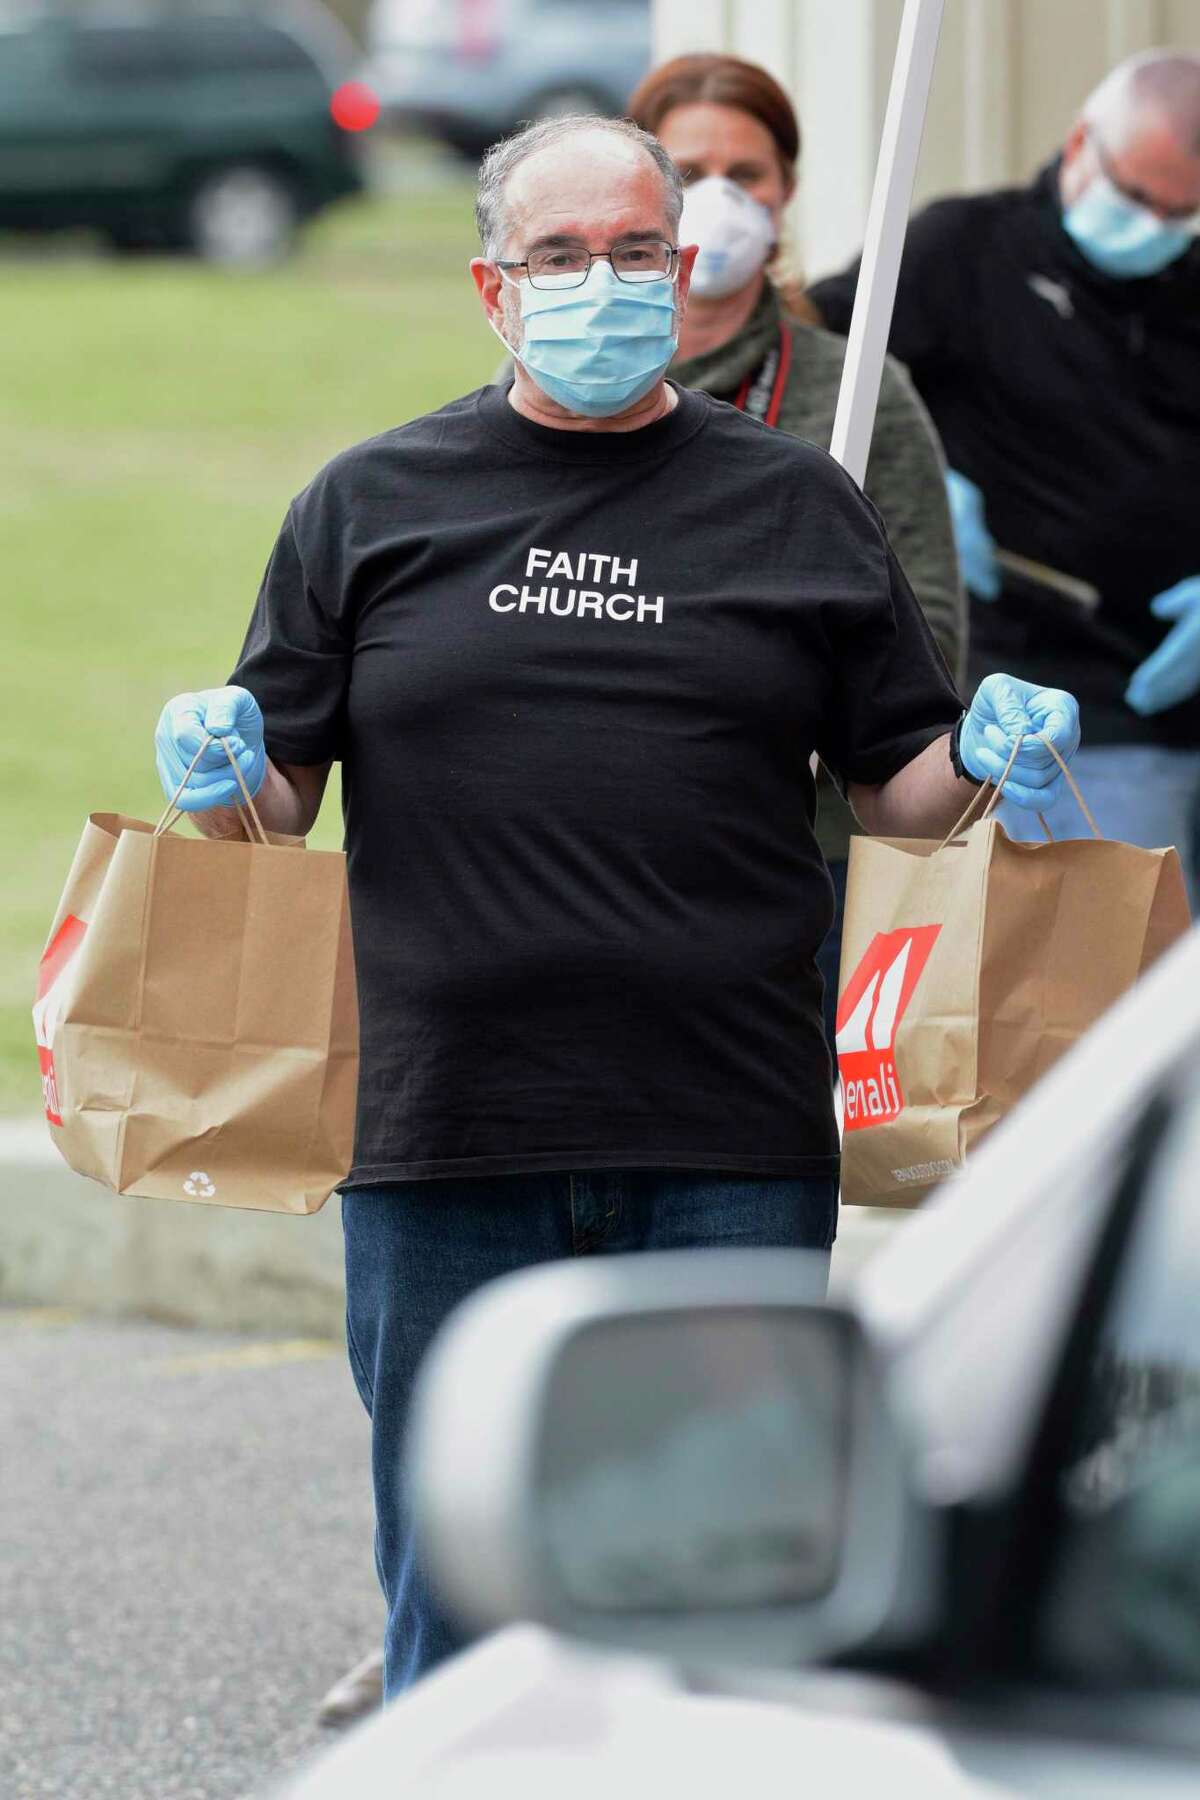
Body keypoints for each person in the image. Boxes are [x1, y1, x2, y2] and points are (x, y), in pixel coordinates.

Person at [153, 114, 1081, 1702]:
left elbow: (891, 790)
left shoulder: (795, 505)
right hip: (447, 1137)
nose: (604, 283)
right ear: (492, 287)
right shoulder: (372, 504)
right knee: (460, 1593)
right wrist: (224, 769)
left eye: (636, 252)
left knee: (720, 1591)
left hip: (725, 1132)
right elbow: (279, 798)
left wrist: (984, 759)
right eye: (561, 257)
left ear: (688, 261)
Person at [625, 53, 965, 1046]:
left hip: (802, 867)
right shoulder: (562, 389)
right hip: (599, 858)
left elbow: (926, 636)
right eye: (689, 173)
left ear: (787, 193)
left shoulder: (858, 392)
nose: (720, 200)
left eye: (749, 175)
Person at [810, 50, 1200, 899]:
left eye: (1182, 213)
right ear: (1080, 145)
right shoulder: (963, 250)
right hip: (1057, 700)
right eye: (1136, 196)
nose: (1153, 226)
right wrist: (914, 483)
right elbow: (822, 365)